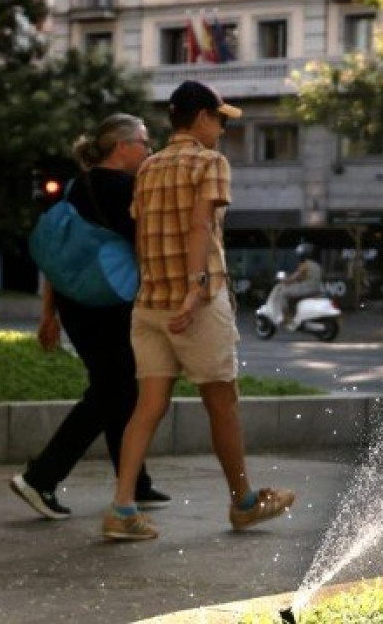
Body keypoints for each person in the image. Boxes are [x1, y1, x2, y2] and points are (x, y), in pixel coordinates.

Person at [102, 81, 295, 541]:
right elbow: (199, 225)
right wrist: (194, 290)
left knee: (148, 405)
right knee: (222, 402)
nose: (224, 130)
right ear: (203, 117)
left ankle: (122, 507)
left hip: (150, 306)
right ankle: (244, 503)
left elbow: (143, 233)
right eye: (221, 120)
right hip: (196, 306)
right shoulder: (210, 162)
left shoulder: (147, 167)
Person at [8, 115, 170, 520]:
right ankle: (41, 477)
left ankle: (135, 483)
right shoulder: (124, 190)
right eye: (144, 143)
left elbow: (61, 256)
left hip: (74, 304)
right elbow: (149, 250)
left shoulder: (75, 186)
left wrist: (50, 314)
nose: (148, 151)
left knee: (119, 388)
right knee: (114, 390)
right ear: (121, 146)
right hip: (108, 304)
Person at [266, 242, 324, 325]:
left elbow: (294, 278)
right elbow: (304, 277)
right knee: (290, 292)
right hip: (316, 289)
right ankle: (294, 314)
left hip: (307, 288)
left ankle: (284, 316)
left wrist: (285, 280)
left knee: (283, 293)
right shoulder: (317, 265)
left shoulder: (305, 265)